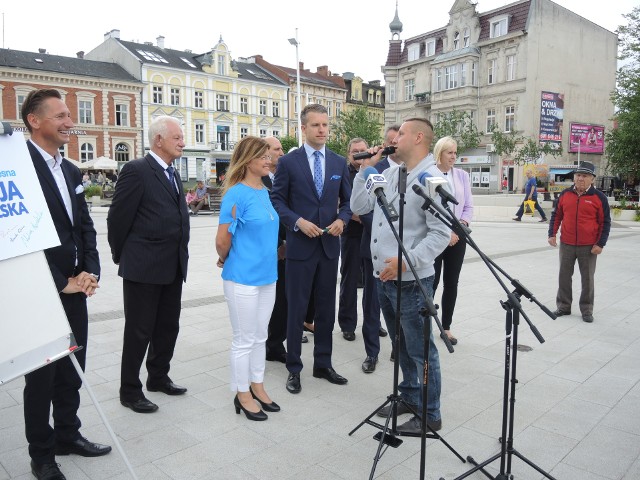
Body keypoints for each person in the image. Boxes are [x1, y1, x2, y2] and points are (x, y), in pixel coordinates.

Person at [21, 88, 111, 480]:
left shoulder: (73, 170)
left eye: (69, 114)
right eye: (59, 116)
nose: (69, 122)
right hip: (40, 291)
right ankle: (41, 454)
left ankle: (67, 435)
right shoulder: (15, 170)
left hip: (78, 285)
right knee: (42, 376)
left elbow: (85, 227)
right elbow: (18, 236)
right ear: (34, 121)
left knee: (73, 367)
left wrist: (90, 271)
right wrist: (61, 282)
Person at [351, 118, 449, 434]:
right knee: (401, 345)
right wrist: (367, 168)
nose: (394, 137)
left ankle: (429, 414)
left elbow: (440, 234)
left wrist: (406, 262)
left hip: (412, 280)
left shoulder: (434, 179)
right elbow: (359, 205)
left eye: (402, 133)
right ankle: (409, 397)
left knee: (420, 349)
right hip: (385, 278)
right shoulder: (390, 173)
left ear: (419, 137)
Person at [108, 115, 190, 414]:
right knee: (139, 331)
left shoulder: (172, 172)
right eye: (178, 137)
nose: (183, 141)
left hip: (172, 266)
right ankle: (130, 390)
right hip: (143, 268)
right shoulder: (136, 170)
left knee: (168, 326)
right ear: (159, 140)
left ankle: (158, 376)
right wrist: (123, 257)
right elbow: (117, 219)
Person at [271, 103, 352, 394]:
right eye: (316, 125)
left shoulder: (338, 162)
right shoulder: (289, 164)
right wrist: (297, 222)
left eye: (325, 125)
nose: (322, 130)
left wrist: (343, 220)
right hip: (300, 248)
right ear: (303, 128)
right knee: (296, 310)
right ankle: (294, 368)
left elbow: (349, 201)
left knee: (326, 310)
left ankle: (323, 364)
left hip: (329, 248)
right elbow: (277, 201)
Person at [215, 136, 280, 421]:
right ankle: (242, 393)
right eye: (263, 156)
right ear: (248, 160)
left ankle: (257, 385)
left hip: (267, 276)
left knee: (260, 335)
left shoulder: (264, 191)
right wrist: (227, 256)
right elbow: (222, 240)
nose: (269, 160)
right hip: (242, 276)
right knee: (244, 338)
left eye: (270, 156)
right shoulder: (235, 194)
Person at [337, 138, 382, 373]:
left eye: (362, 151)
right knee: (350, 278)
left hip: (374, 232)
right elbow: (346, 204)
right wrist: (363, 216)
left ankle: (374, 324)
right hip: (352, 232)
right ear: (348, 154)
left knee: (372, 284)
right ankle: (347, 322)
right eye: (354, 152)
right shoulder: (344, 173)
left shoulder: (374, 170)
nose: (358, 155)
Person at [548, 161, 610, 323]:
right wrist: (552, 233)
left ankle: (587, 309)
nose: (581, 178)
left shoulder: (599, 198)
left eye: (585, 176)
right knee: (564, 276)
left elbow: (605, 222)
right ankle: (563, 306)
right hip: (567, 243)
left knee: (587, 278)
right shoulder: (565, 195)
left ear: (592, 179)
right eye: (578, 175)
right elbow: (556, 215)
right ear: (574, 177)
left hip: (589, 246)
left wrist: (600, 244)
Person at [427, 137, 474, 346]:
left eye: (455, 153)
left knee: (451, 282)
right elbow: (428, 207)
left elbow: (468, 206)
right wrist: (447, 233)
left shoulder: (462, 176)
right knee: (432, 281)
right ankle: (425, 324)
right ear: (440, 153)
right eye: (449, 152)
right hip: (436, 235)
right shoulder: (429, 174)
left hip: (459, 236)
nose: (453, 156)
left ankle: (446, 327)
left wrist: (460, 227)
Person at [262, 136, 289, 363]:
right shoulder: (257, 180)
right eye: (277, 149)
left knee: (282, 299)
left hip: (286, 249)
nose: (282, 152)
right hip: (269, 250)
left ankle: (276, 344)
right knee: (267, 300)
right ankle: (265, 343)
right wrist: (278, 244)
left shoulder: (282, 177)